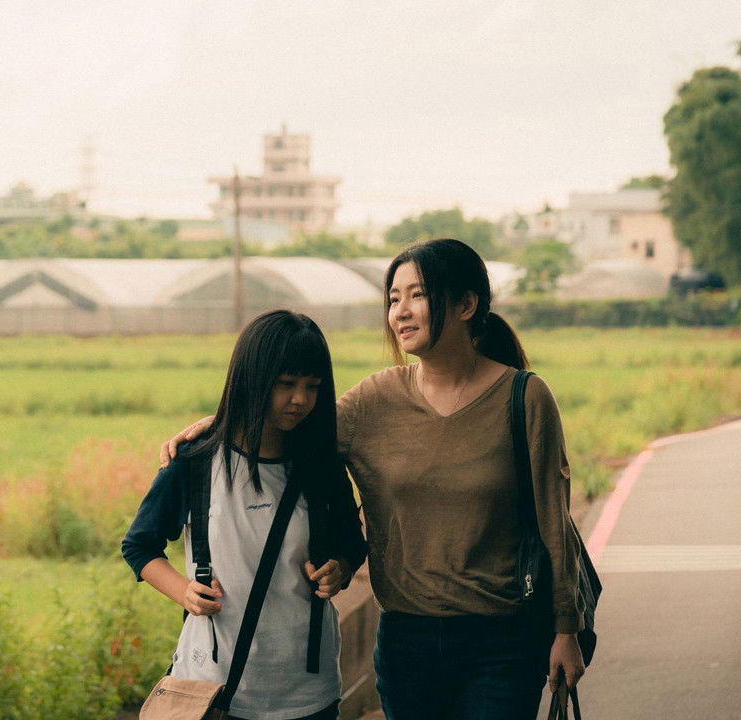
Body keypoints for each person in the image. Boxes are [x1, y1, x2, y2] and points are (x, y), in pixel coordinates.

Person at [162, 239, 587, 719]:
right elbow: (293, 434)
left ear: (467, 305)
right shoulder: (375, 400)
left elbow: (555, 522)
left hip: (503, 640)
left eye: (417, 295)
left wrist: (565, 631)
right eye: (393, 298)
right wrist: (219, 428)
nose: (400, 312)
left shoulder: (524, 398)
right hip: (408, 642)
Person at [123, 310, 368, 720]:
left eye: (313, 386)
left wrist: (339, 568)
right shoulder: (196, 461)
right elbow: (140, 544)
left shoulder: (322, 466)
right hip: (213, 687)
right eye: (286, 384)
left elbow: (352, 541)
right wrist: (183, 591)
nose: (300, 400)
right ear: (251, 379)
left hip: (307, 689)